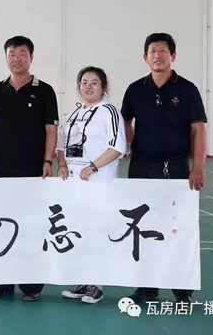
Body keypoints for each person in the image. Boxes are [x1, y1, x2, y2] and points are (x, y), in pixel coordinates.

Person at [121, 32, 207, 304]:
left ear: (173, 56)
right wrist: (129, 144)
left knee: (175, 227)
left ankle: (181, 290)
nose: (157, 56)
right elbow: (124, 121)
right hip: (141, 167)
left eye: (163, 51)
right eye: (152, 51)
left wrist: (198, 167)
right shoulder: (135, 89)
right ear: (145, 58)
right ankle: (147, 288)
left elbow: (198, 129)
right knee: (143, 227)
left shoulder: (187, 89)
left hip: (177, 168)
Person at [0, 35, 59, 302]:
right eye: (11, 54)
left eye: (22, 54)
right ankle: (2, 284)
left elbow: (51, 130)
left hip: (32, 171)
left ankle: (31, 285)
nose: (16, 59)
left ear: (31, 58)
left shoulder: (45, 90)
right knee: (0, 225)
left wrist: (47, 161)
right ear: (6, 58)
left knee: (31, 227)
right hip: (0, 171)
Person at [57, 66, 126, 304]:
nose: (88, 86)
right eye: (84, 82)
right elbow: (61, 145)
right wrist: (62, 164)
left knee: (97, 232)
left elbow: (117, 147)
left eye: (94, 82)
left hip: (98, 182)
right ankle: (83, 281)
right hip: (74, 184)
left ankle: (96, 285)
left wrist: (93, 167)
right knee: (80, 231)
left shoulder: (109, 111)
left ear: (103, 87)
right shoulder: (74, 113)